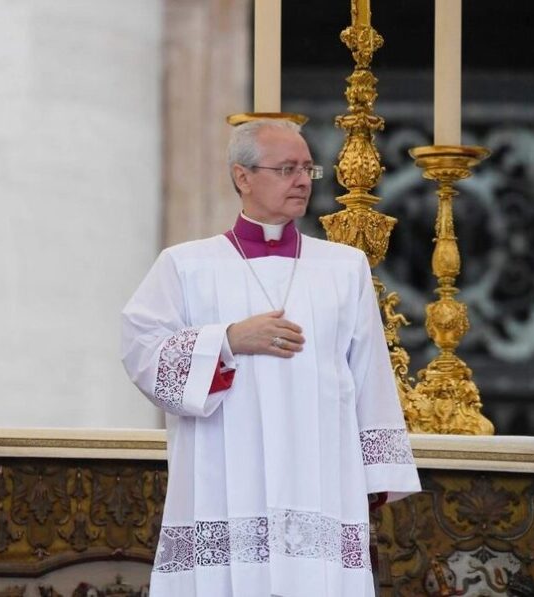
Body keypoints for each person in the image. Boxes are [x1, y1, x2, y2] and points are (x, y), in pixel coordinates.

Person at [120, 118, 419, 596]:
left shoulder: (344, 268)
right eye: (285, 169)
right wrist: (228, 340)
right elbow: (141, 351)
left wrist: (375, 476)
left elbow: (370, 375)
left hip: (320, 480)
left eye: (307, 169)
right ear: (243, 176)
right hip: (224, 475)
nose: (301, 180)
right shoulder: (187, 265)